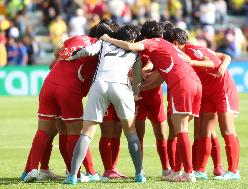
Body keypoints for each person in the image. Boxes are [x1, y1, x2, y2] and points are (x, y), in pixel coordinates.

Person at [100, 20, 214, 182]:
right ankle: (177, 171)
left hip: (181, 83)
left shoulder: (151, 42)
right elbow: (175, 64)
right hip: (195, 83)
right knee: (181, 129)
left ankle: (188, 173)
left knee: (180, 130)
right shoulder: (169, 46)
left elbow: (131, 47)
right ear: (160, 34)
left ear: (145, 35)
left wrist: (108, 39)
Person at [21, 19, 119, 183]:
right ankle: (81, 173)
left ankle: (30, 170)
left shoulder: (77, 37)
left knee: (44, 131)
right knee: (76, 132)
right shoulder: (100, 51)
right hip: (69, 89)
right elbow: (87, 84)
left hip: (49, 84)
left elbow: (54, 60)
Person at [64, 24, 145, 185]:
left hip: (99, 85)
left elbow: (88, 51)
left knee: (86, 133)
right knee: (131, 133)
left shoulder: (105, 42)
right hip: (121, 86)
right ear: (134, 38)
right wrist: (135, 95)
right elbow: (137, 77)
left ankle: (73, 176)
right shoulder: (135, 51)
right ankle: (139, 174)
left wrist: (73, 56)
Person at [171, 28, 240, 180]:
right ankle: (201, 170)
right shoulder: (188, 50)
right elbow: (223, 56)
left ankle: (234, 171)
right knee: (205, 131)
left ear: (175, 43)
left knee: (227, 130)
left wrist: (191, 61)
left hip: (222, 89)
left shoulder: (192, 50)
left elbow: (213, 62)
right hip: (207, 92)